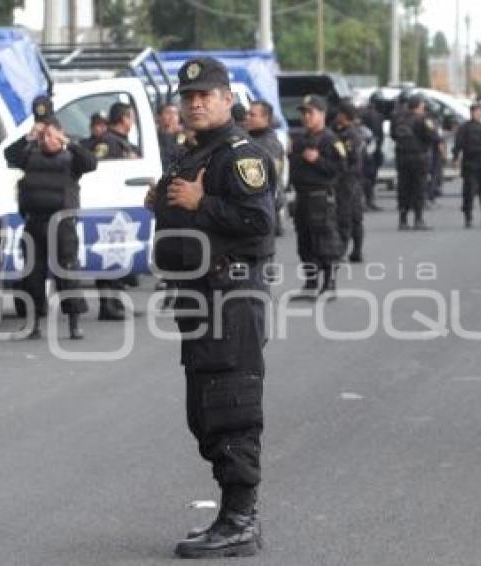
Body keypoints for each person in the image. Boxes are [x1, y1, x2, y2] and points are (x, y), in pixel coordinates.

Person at [145, 56, 274, 558]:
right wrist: (165, 201)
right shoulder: (195, 152)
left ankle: (242, 520)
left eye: (206, 95)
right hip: (199, 295)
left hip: (231, 296)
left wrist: (202, 204)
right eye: (188, 96)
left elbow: (257, 222)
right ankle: (229, 514)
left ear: (228, 99)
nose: (195, 103)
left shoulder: (241, 153)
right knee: (205, 410)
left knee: (232, 404)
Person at [4, 116, 97, 340]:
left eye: (51, 136)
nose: (46, 140)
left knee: (67, 273)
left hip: (62, 224)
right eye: (43, 136)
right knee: (32, 275)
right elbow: (9, 155)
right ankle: (34, 323)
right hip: (35, 222)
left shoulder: (71, 159)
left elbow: (91, 162)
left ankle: (74, 324)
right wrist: (29, 136)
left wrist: (68, 141)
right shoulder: (30, 156)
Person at [289, 94, 346, 297]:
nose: (306, 117)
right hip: (302, 196)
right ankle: (310, 282)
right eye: (303, 113)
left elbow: (341, 169)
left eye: (310, 113)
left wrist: (318, 160)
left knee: (325, 239)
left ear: (322, 114)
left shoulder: (331, 140)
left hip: (320, 197)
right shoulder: (300, 139)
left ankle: (330, 283)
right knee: (304, 240)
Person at [96, 102, 140, 321]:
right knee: (109, 253)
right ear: (124, 119)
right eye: (130, 118)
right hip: (109, 204)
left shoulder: (122, 142)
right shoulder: (107, 142)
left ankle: (117, 299)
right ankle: (107, 304)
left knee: (119, 253)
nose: (131, 122)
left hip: (123, 205)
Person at [391, 94, 440, 230]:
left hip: (402, 157)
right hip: (419, 158)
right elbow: (433, 136)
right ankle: (418, 219)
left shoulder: (398, 119)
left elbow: (394, 135)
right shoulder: (423, 119)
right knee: (419, 187)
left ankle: (403, 219)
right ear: (419, 105)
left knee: (403, 188)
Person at [244, 101, 286, 236]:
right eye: (247, 114)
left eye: (252, 115)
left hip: (263, 206)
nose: (247, 118)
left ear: (265, 118)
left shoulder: (269, 144)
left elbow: (270, 176)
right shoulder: (251, 139)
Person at [452, 104, 481, 228]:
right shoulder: (464, 128)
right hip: (470, 163)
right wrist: (456, 158)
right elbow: (458, 144)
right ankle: (468, 218)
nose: (476, 114)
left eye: (479, 112)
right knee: (469, 192)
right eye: (474, 112)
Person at [332, 101, 365, 262]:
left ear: (344, 116)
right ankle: (355, 250)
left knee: (346, 215)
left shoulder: (350, 135)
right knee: (354, 215)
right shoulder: (343, 132)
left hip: (347, 180)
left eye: (339, 114)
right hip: (351, 180)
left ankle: (345, 249)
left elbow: (351, 160)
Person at [359, 97, 384, 211]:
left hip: (363, 150)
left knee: (363, 176)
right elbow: (379, 134)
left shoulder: (361, 113)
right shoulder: (377, 115)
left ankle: (365, 201)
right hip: (372, 149)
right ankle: (369, 200)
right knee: (370, 177)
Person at [156, 103, 187, 172]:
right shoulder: (152, 137)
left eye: (176, 114)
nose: (172, 116)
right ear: (158, 117)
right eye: (168, 113)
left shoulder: (183, 136)